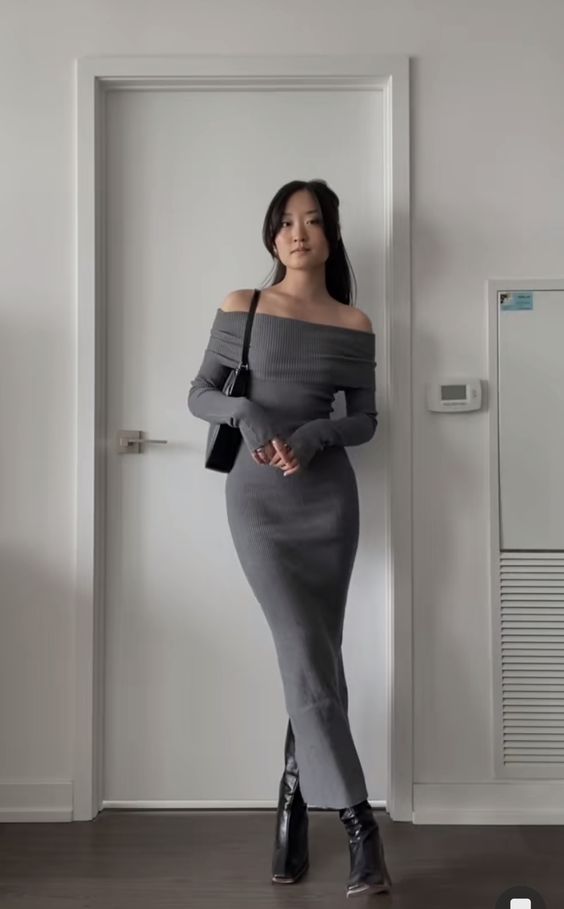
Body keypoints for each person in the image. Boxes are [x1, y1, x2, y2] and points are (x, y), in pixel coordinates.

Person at [187, 179, 392, 898]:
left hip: (328, 503)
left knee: (317, 660)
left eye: (311, 221)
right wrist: (246, 413)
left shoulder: (354, 321)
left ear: (330, 234)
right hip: (258, 503)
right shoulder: (243, 305)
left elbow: (365, 420)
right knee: (307, 652)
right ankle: (362, 827)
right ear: (272, 236)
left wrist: (314, 435)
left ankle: (292, 804)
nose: (297, 233)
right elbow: (199, 393)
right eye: (285, 222)